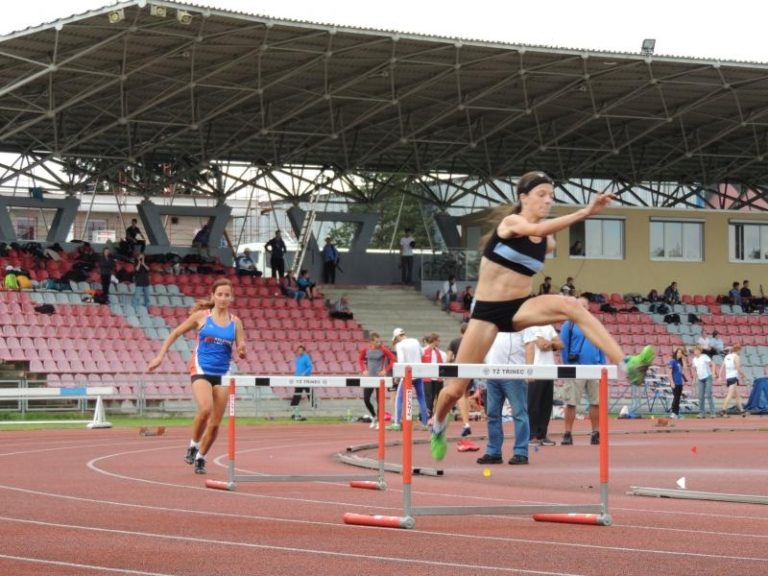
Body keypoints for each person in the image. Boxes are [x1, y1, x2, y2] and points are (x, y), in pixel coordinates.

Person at [429, 170, 655, 461]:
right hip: (487, 313)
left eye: (551, 196)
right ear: (523, 197)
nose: (548, 201)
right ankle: (437, 425)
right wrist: (587, 211)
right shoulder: (512, 223)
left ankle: (627, 363)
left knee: (573, 306)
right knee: (456, 388)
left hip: (520, 306)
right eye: (541, 195)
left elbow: (543, 235)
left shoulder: (547, 242)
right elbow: (535, 230)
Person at [147, 278, 246, 474]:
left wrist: (242, 350)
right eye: (220, 294)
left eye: (227, 295)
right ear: (213, 296)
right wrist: (160, 356)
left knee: (216, 422)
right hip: (201, 369)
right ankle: (193, 445)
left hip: (223, 373)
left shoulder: (236, 323)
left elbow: (241, 348)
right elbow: (175, 333)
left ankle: (201, 457)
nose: (223, 298)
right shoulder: (202, 317)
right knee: (205, 409)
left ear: (231, 298)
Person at [476, 331, 530, 465]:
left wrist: (530, 370)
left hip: (515, 374)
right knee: (492, 414)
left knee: (519, 414)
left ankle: (520, 452)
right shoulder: (493, 323)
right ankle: (493, 452)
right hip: (493, 374)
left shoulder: (523, 324)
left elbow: (530, 344)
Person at [560, 297, 605, 445]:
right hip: (575, 368)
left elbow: (602, 345)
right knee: (571, 402)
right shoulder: (569, 324)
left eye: (585, 305)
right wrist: (568, 366)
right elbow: (563, 346)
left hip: (594, 368)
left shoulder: (595, 324)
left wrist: (602, 366)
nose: (582, 308)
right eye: (579, 306)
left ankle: (595, 432)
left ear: (589, 307)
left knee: (596, 402)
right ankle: (567, 433)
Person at [524, 323, 563, 446]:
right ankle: (532, 435)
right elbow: (541, 346)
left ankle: (542, 434)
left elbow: (560, 344)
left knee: (546, 405)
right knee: (534, 404)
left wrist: (550, 343)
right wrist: (552, 343)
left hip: (549, 370)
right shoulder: (531, 327)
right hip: (536, 369)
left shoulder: (549, 327)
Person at [388, 328, 429, 430]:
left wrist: (397, 377)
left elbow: (401, 361)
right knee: (421, 398)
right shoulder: (415, 340)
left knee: (399, 399)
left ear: (397, 336)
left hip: (407, 375)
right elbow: (422, 353)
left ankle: (397, 423)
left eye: (396, 339)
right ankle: (425, 424)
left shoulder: (399, 345)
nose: (396, 342)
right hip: (418, 373)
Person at [357, 333, 396, 428]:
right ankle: (374, 416)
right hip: (369, 378)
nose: (379, 343)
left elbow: (393, 359)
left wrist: (385, 370)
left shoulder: (383, 350)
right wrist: (363, 370)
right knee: (366, 399)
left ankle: (379, 421)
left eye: (379, 341)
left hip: (380, 379)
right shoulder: (366, 350)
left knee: (380, 401)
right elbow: (360, 360)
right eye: (377, 341)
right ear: (371, 342)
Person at [446, 322, 473, 437]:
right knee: (466, 395)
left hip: (458, 369)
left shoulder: (454, 342)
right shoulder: (472, 342)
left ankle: (466, 422)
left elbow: (448, 358)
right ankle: (466, 419)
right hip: (470, 370)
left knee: (460, 396)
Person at [421, 334, 447, 421]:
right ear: (434, 340)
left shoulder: (439, 352)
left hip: (438, 378)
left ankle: (436, 416)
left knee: (438, 398)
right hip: (427, 378)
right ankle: (428, 416)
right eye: (438, 340)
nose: (439, 342)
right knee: (429, 398)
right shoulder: (424, 350)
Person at [718, 344, 747, 416]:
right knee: (730, 394)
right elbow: (737, 367)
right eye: (740, 350)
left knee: (737, 394)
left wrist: (720, 376)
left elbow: (722, 367)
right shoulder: (736, 357)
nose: (740, 352)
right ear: (738, 350)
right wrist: (743, 375)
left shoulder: (727, 356)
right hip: (734, 377)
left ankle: (741, 410)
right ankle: (723, 409)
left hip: (728, 377)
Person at [691, 346, 716, 419]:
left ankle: (713, 412)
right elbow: (695, 370)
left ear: (700, 351)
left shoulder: (704, 356)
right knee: (700, 396)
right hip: (700, 379)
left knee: (708, 394)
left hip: (708, 377)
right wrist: (694, 380)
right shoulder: (694, 359)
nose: (695, 352)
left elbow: (713, 364)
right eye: (695, 350)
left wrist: (713, 372)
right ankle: (701, 413)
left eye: (697, 350)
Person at [289, 344, 313, 420]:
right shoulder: (298, 358)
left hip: (305, 378)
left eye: (301, 350)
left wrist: (304, 373)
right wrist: (296, 375)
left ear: (303, 351)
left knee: (308, 391)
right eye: (299, 350)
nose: (299, 351)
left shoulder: (306, 357)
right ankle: (294, 407)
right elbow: (298, 368)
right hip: (298, 378)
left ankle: (314, 405)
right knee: (297, 392)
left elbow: (310, 367)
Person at [667, 347, 688, 419]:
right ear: (676, 353)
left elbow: (685, 369)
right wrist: (672, 382)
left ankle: (676, 413)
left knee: (678, 398)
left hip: (680, 383)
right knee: (675, 398)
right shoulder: (672, 361)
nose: (679, 354)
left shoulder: (680, 362)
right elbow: (669, 373)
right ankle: (673, 412)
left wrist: (683, 359)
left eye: (681, 353)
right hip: (675, 382)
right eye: (678, 352)